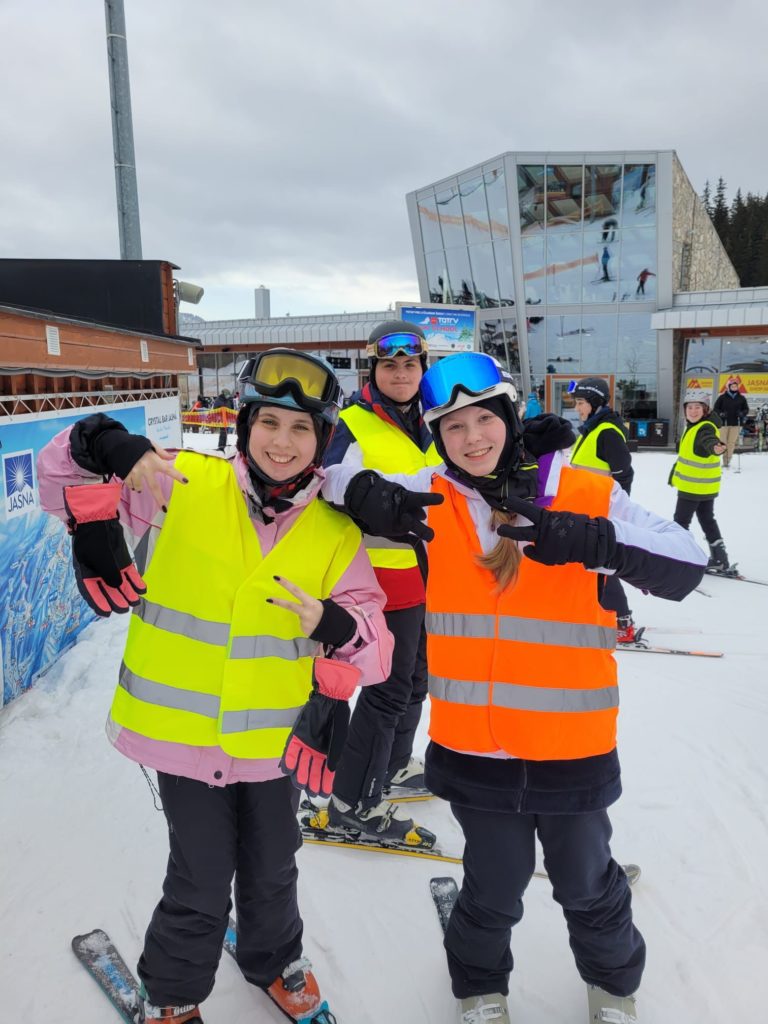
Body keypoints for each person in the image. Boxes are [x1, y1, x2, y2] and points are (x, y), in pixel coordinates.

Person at [323, 352, 707, 1024]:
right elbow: (324, 475)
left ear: (509, 414)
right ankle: (479, 988)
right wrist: (360, 493)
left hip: (570, 748)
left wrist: (594, 540)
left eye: (484, 419)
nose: (472, 438)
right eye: (453, 426)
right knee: (493, 887)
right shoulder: (433, 495)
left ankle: (613, 987)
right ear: (437, 437)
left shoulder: (584, 492)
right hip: (476, 750)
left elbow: (688, 560)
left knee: (586, 884)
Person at [36, 349, 395, 1024]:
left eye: (301, 428)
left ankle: (274, 960)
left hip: (274, 744)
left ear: (321, 440)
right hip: (184, 737)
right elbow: (58, 481)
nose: (283, 442)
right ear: (246, 426)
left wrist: (338, 625)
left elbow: (377, 648)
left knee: (274, 866)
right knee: (200, 875)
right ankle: (173, 991)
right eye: (270, 423)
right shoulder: (181, 482)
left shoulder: (333, 529)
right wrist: (101, 444)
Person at [320, 319, 442, 843]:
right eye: (390, 365)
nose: (401, 374)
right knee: (386, 692)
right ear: (373, 370)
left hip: (427, 578)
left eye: (410, 364)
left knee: (416, 682)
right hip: (376, 583)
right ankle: (352, 803)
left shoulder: (432, 421)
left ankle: (389, 767)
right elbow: (329, 480)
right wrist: (369, 491)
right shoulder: (353, 421)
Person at [569, 378, 637, 643]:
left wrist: (614, 509)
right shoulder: (591, 429)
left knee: (602, 567)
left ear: (595, 402)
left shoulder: (606, 431)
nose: (577, 408)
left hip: (600, 513)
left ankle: (621, 622)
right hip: (585, 511)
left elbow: (624, 474)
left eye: (581, 402)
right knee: (591, 567)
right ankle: (596, 614)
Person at [671, 389, 731, 571]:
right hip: (705, 487)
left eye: (698, 407)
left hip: (693, 487)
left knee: (680, 522)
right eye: (689, 407)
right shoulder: (694, 426)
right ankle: (720, 559)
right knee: (707, 519)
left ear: (705, 410)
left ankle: (681, 558)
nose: (693, 411)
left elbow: (708, 440)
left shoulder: (704, 428)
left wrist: (715, 447)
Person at [712, 376, 749, 468]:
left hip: (736, 424)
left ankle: (727, 461)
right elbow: (715, 409)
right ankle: (720, 459)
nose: (734, 388)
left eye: (735, 386)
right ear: (728, 387)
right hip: (723, 424)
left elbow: (746, 409)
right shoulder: (722, 397)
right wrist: (721, 413)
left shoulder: (741, 398)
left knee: (731, 443)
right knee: (723, 442)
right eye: (732, 386)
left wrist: (742, 413)